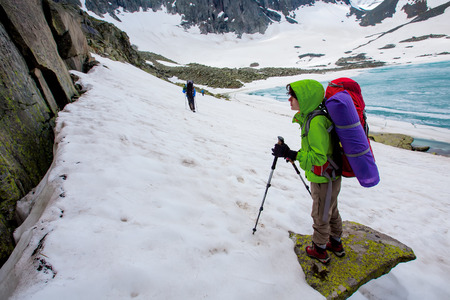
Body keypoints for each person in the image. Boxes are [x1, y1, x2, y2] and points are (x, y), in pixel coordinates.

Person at [272, 79, 344, 264]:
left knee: (320, 212)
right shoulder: (313, 117)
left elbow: (319, 158)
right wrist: (293, 154)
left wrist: (292, 154)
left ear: (305, 99)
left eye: (293, 96)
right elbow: (316, 152)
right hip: (330, 175)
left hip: (324, 177)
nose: (289, 100)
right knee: (330, 208)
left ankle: (319, 249)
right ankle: (335, 242)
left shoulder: (316, 122)